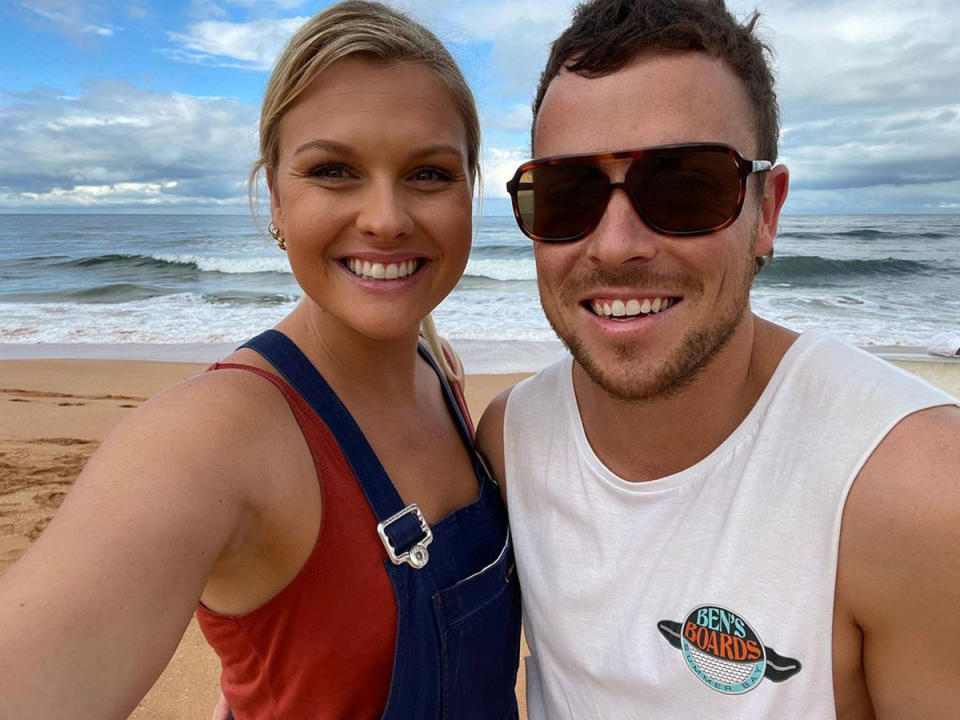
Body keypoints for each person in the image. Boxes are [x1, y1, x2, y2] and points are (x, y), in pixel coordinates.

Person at [0, 2, 521, 718]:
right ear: (275, 196)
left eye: (429, 174)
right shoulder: (213, 437)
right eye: (334, 170)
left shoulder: (443, 370)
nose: (387, 217)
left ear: (470, 190)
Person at [476, 0, 960, 717]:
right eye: (567, 194)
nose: (615, 245)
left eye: (684, 186)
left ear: (767, 212)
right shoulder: (511, 441)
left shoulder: (912, 492)